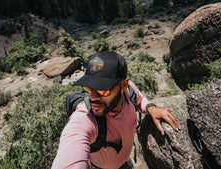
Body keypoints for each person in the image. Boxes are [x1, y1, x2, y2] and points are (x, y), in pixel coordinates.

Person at [52, 51, 180, 169]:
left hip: (124, 162)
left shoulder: (128, 91)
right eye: (88, 87)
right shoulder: (84, 119)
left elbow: (139, 98)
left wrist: (150, 108)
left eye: (103, 89)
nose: (93, 96)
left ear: (123, 85)